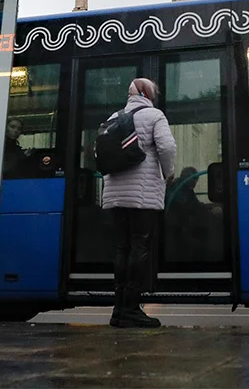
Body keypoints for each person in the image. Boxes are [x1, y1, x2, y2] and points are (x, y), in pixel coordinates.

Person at [100, 78, 176, 328]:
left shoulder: (114, 117)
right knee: (139, 245)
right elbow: (166, 147)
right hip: (142, 196)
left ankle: (119, 309)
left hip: (115, 195)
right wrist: (168, 172)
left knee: (122, 247)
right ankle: (132, 308)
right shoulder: (154, 116)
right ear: (147, 94)